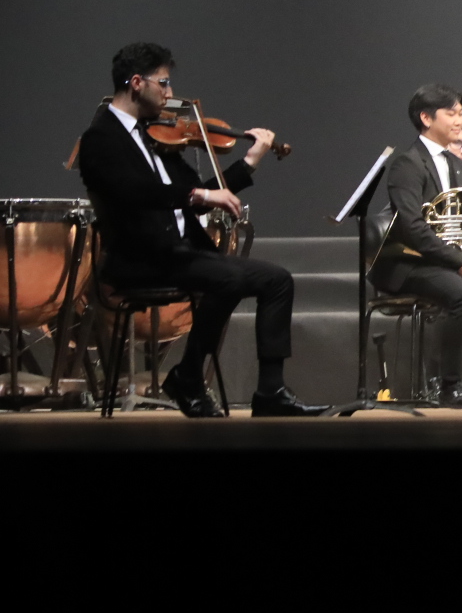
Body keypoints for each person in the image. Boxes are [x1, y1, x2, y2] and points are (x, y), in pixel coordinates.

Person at [75, 42, 324, 417]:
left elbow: (201, 194)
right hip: (140, 258)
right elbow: (134, 193)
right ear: (137, 82)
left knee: (277, 280)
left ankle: (269, 392)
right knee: (228, 279)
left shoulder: (154, 137)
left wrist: (249, 162)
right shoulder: (100, 138)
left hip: (179, 253)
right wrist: (199, 194)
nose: (170, 94)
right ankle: (189, 377)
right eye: (164, 83)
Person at [368, 82, 462, 406]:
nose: (459, 120)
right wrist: (459, 262)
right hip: (412, 263)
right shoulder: (407, 164)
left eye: (461, 113)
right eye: (452, 114)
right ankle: (449, 385)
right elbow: (413, 228)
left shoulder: (458, 164)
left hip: (452, 260)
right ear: (426, 118)